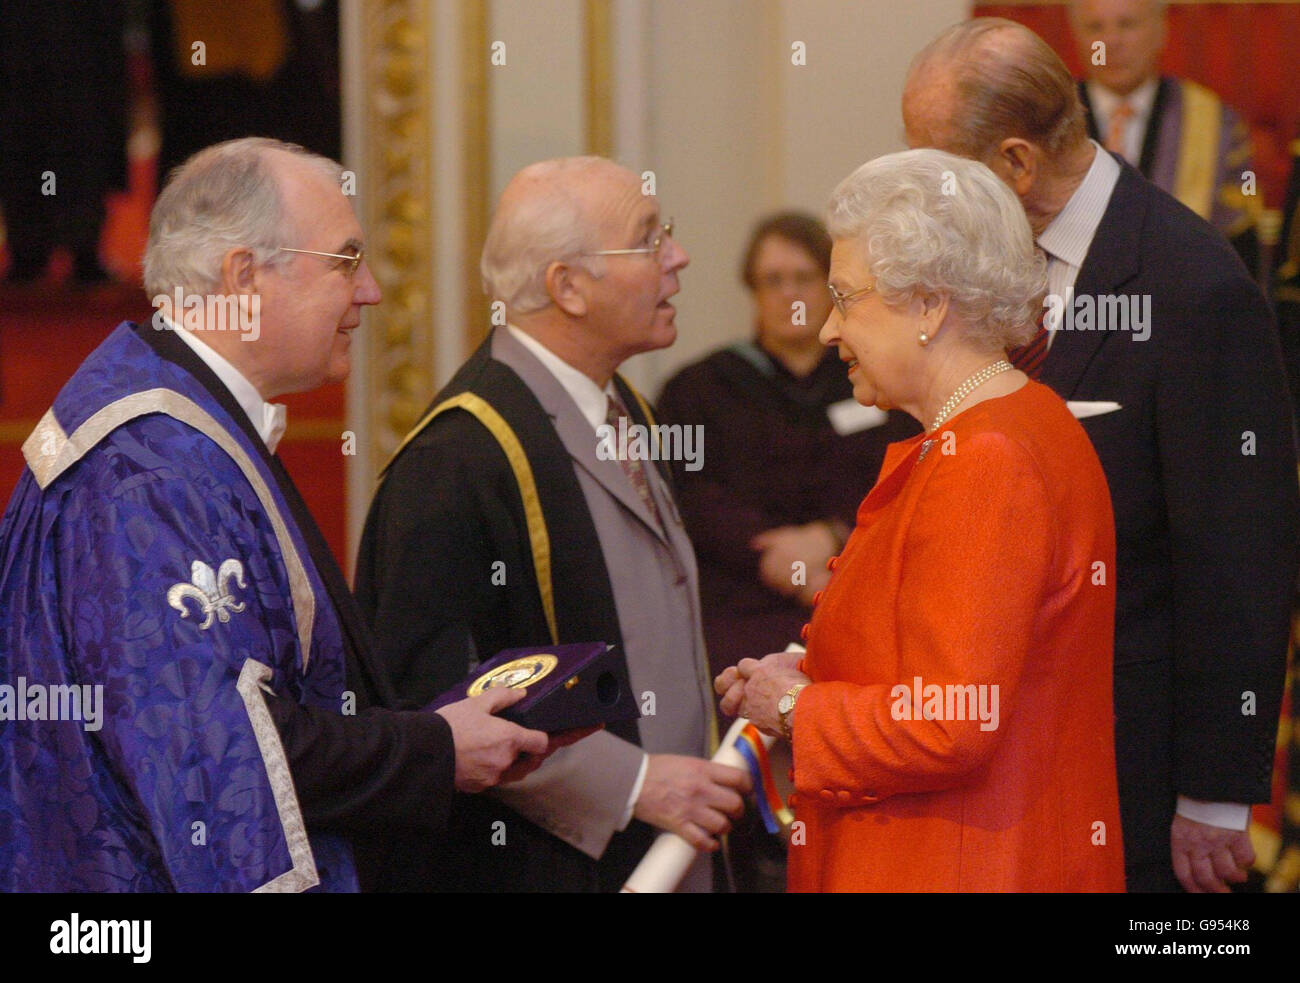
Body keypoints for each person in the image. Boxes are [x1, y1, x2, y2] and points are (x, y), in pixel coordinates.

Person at [0, 137, 556, 892]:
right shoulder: (151, 469)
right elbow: (216, 756)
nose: (371, 293)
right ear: (242, 276)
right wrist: (433, 749)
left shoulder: (186, 422)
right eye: (345, 259)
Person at [902, 17, 1299, 892]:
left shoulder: (1194, 286)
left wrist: (1217, 793)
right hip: (994, 753)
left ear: (1014, 163)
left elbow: (1240, 557)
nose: (923, 193)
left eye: (938, 167)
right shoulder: (974, 266)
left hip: (1137, 764)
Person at [716, 149, 1125, 892]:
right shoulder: (1017, 423)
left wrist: (790, 707)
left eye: (846, 298)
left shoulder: (988, 457)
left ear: (931, 304)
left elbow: (950, 721)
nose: (830, 328)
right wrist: (810, 677)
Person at [355, 155, 750, 893]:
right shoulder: (455, 458)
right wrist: (633, 785)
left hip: (672, 855)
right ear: (568, 286)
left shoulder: (624, 403)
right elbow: (434, 700)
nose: (679, 256)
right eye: (649, 238)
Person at [657, 212, 917, 690]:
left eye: (804, 278)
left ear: (831, 287)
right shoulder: (699, 388)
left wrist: (831, 535)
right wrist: (772, 558)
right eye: (772, 280)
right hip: (740, 608)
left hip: (861, 591)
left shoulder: (880, 382)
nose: (788, 294)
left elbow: (909, 476)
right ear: (752, 291)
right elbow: (685, 493)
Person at [1068, 0, 1261, 271]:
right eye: (1094, 27)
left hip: (1186, 298)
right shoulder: (1049, 121)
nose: (1111, 41)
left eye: (1127, 24)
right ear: (1076, 35)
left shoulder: (1217, 123)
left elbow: (1240, 240)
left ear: (1161, 31)